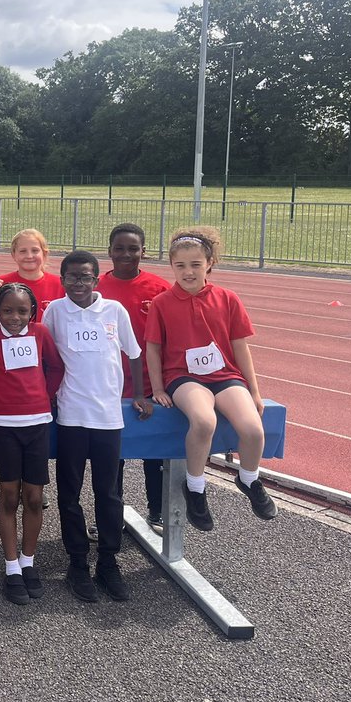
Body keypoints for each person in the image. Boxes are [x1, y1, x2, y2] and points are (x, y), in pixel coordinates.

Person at [145, 227, 277, 532]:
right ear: (171, 266)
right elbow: (153, 348)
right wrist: (158, 387)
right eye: (180, 266)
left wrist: (254, 390)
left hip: (225, 376)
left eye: (195, 265)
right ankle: (195, 487)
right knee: (204, 421)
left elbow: (240, 347)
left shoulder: (228, 299)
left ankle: (249, 479)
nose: (188, 272)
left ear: (210, 264)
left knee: (253, 428)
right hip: (183, 377)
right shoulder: (162, 303)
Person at [44, 250, 148, 603]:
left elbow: (134, 353)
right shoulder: (55, 312)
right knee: (69, 493)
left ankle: (107, 560)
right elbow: (46, 355)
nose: (79, 283)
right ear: (62, 280)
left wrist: (140, 394)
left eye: (85, 277)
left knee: (109, 493)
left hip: (108, 417)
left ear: (96, 279)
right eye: (72, 277)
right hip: (71, 416)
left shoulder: (114, 311)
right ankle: (77, 562)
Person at [0, 283, 63, 605]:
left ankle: (28, 561)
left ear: (32, 312)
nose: (15, 317)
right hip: (3, 425)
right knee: (8, 495)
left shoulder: (41, 333)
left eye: (22, 311)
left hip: (38, 423)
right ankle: (11, 567)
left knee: (33, 497)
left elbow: (56, 366)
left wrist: (45, 394)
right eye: (7, 311)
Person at [96, 223, 170, 534]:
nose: (126, 254)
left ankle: (158, 512)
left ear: (143, 251)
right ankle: (109, 515)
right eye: (119, 248)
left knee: (156, 453)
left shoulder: (160, 289)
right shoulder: (95, 288)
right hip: (108, 388)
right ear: (109, 251)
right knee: (111, 457)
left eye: (133, 249)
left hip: (149, 386)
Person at [0, 229, 64, 322]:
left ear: (44, 253)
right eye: (23, 251)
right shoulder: (0, 284)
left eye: (35, 250)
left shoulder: (61, 286)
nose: (29, 256)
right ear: (13, 254)